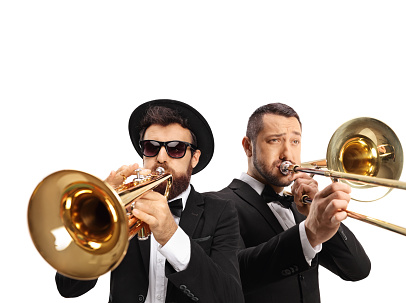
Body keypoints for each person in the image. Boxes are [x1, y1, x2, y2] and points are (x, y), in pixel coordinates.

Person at [55, 99, 244, 303]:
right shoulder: (124, 209)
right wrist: (97, 216)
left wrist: (172, 236)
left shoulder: (221, 211)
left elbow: (230, 297)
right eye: (151, 147)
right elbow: (68, 287)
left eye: (176, 148)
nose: (161, 157)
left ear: (194, 158)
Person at [208, 103, 371, 302]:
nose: (288, 153)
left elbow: (357, 269)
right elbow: (232, 275)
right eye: (274, 140)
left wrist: (322, 214)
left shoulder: (301, 208)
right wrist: (309, 232)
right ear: (248, 146)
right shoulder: (214, 204)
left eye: (295, 141)